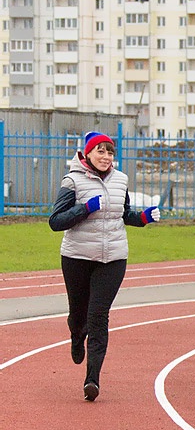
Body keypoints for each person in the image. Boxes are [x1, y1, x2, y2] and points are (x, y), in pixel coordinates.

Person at [48, 131, 161, 402]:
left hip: (113, 258)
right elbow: (55, 221)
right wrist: (84, 208)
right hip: (77, 258)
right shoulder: (72, 181)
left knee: (98, 317)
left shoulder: (121, 180)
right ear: (87, 154)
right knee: (79, 314)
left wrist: (143, 218)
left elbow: (123, 215)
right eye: (100, 151)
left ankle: (92, 380)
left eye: (110, 152)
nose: (106, 157)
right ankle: (76, 334)